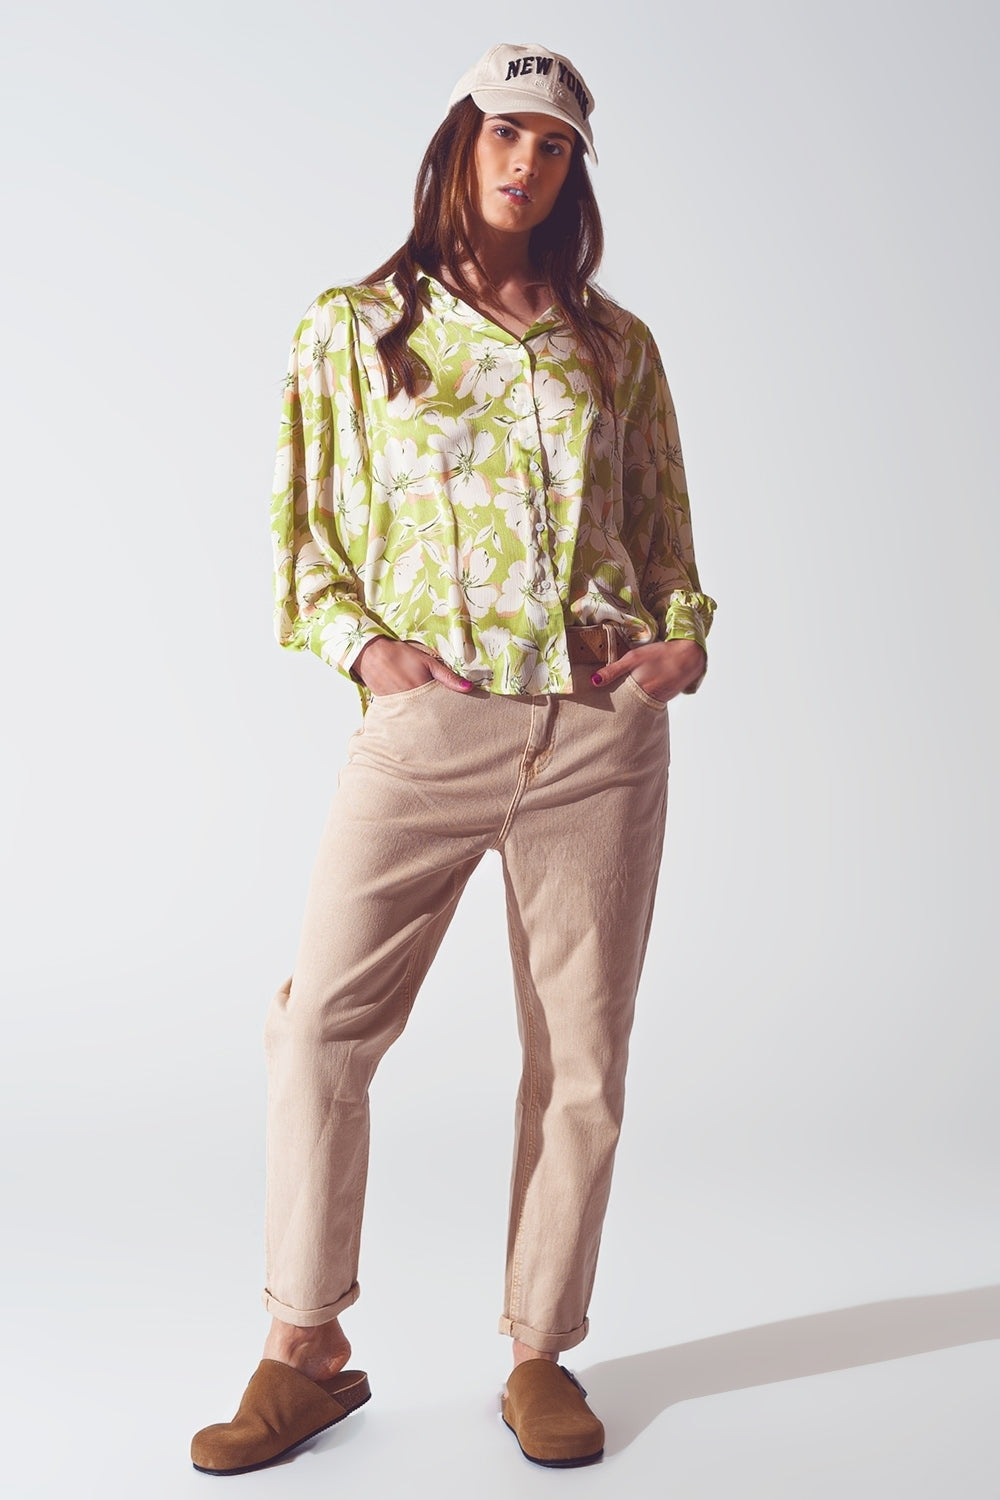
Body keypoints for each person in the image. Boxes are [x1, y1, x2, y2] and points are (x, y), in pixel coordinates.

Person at [190, 40, 716, 1475]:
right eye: (504, 133)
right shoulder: (356, 328)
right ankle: (304, 1347)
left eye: (553, 145)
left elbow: (664, 534)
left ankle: (541, 1351)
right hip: (432, 721)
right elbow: (301, 536)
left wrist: (679, 643)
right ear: (458, 143)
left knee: (582, 1057)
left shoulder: (617, 347)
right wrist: (370, 653)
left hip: (598, 734)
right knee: (321, 1023)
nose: (524, 163)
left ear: (571, 172)